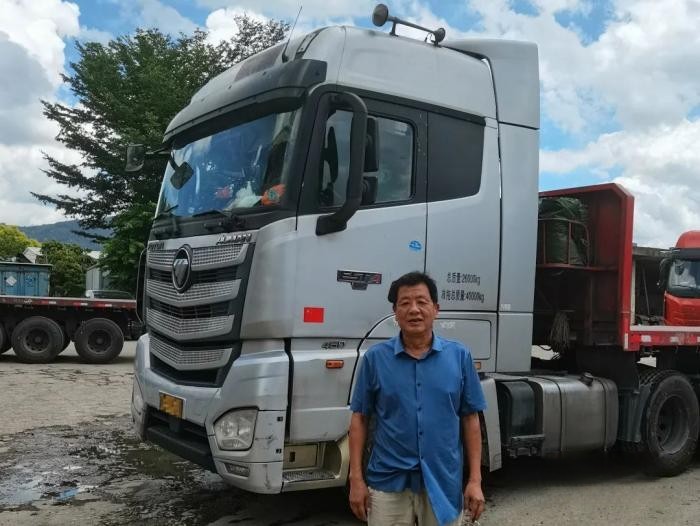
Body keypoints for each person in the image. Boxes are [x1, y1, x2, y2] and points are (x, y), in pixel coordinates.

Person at [348, 271, 487, 526]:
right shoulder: (375, 359)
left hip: (443, 481)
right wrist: (356, 479)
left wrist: (475, 480)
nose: (414, 310)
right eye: (405, 303)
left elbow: (470, 419)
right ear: (395, 312)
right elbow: (359, 419)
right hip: (388, 481)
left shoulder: (459, 356)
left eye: (422, 302)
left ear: (436, 309)